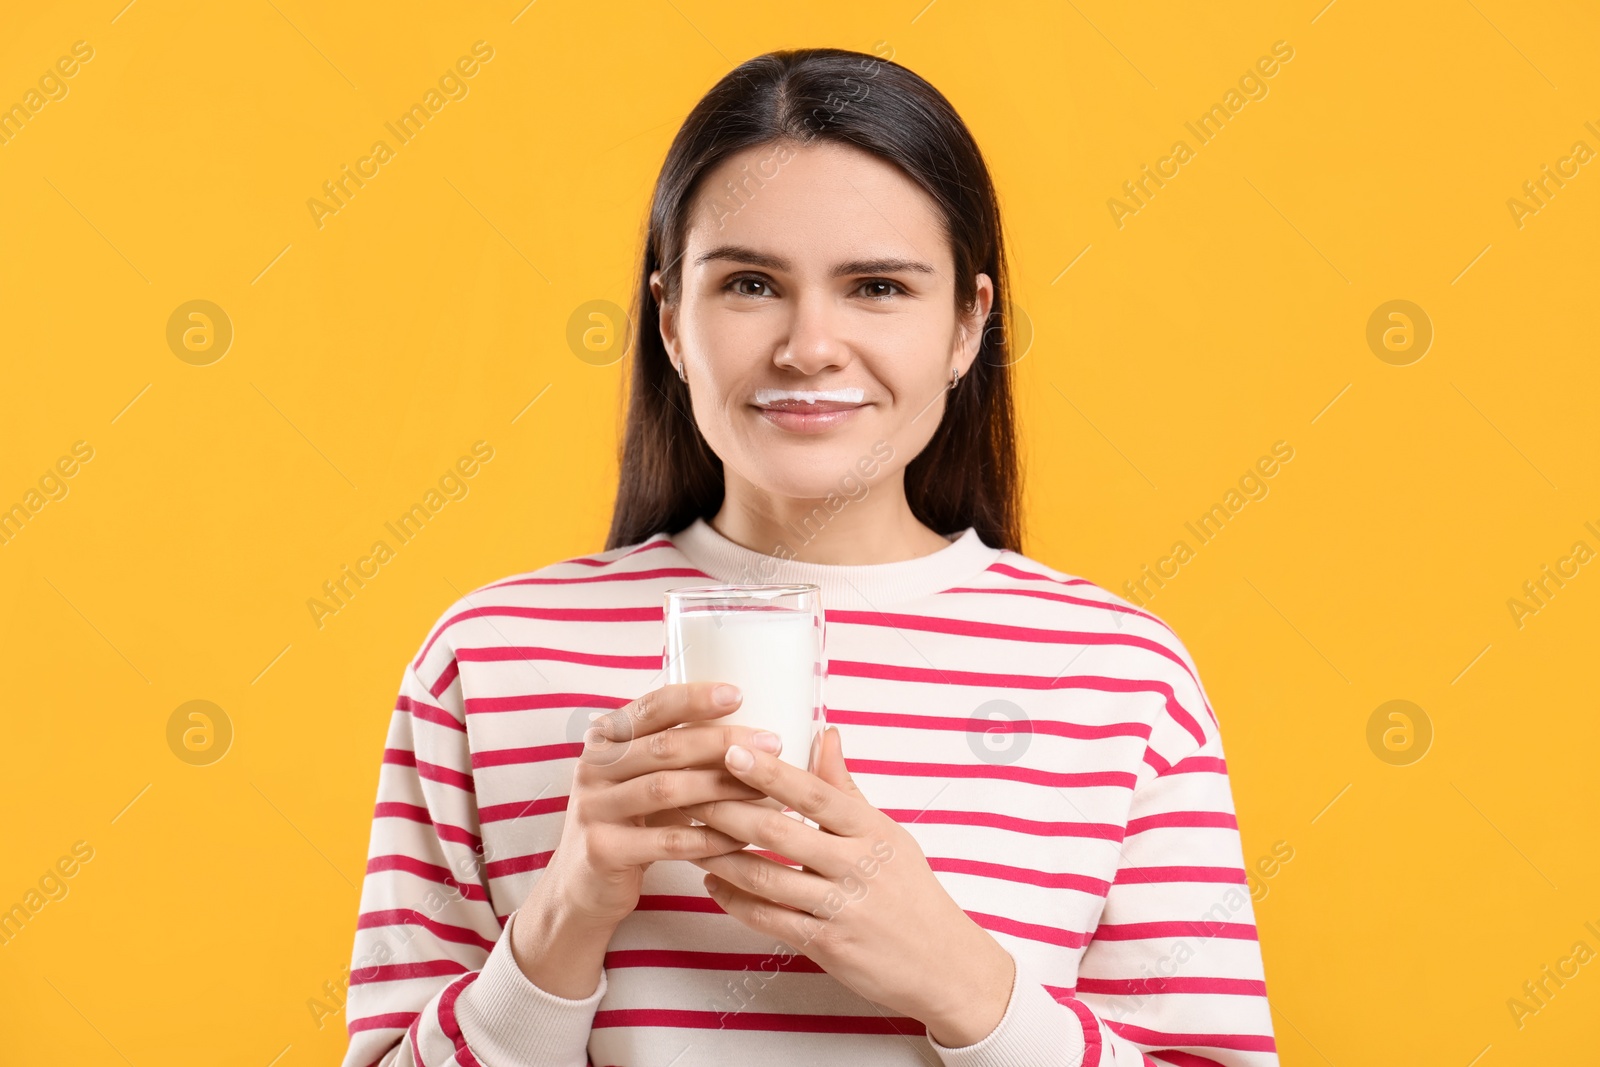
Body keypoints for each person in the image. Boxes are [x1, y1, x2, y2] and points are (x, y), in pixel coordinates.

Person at [340, 46, 1278, 1067]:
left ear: (968, 325)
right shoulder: (490, 656)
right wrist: (567, 912)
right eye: (749, 283)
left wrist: (963, 981)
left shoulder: (1119, 675)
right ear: (669, 319)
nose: (809, 345)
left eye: (877, 285)